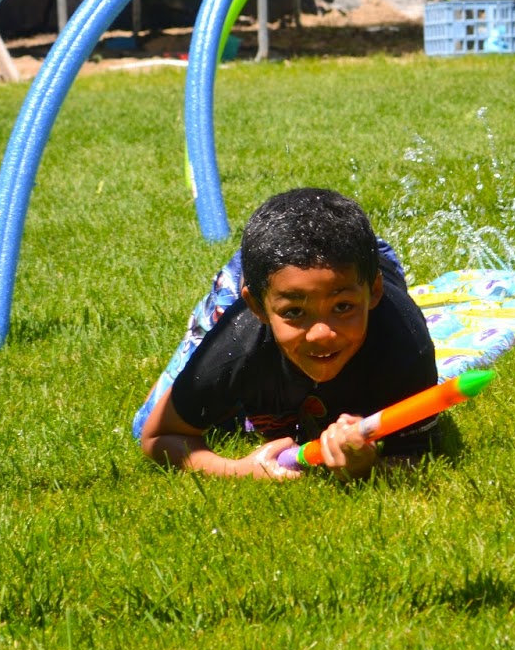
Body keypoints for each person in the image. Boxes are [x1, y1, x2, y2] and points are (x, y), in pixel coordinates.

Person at [135, 187, 438, 480]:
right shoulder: (240, 341)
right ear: (257, 307)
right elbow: (158, 434)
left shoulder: (406, 345)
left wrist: (364, 467)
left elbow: (415, 455)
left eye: (343, 307)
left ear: (373, 293)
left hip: (366, 257)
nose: (321, 334)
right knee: (147, 420)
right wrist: (240, 469)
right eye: (294, 312)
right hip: (261, 270)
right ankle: (217, 311)